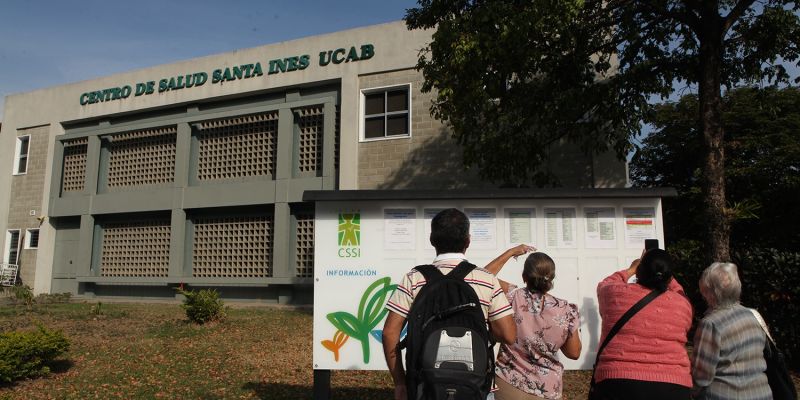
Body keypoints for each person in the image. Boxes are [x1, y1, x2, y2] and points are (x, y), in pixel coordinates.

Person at [382, 208, 517, 400]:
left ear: (432, 240)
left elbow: (389, 333)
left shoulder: (414, 278)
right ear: (468, 241)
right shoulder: (486, 280)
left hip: (424, 386)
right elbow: (509, 335)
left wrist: (400, 382)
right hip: (477, 386)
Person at [592, 249, 693, 400]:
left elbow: (605, 284)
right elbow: (679, 291)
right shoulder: (683, 304)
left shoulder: (614, 293)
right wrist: (665, 272)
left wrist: (631, 269)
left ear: (639, 272)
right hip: (673, 386)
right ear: (669, 276)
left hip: (617, 382)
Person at [485, 245, 582, 400]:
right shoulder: (566, 310)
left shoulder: (512, 297)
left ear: (524, 276)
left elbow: (483, 276)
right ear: (551, 279)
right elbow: (574, 353)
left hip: (508, 382)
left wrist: (510, 252)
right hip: (547, 389)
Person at [692, 262, 771, 400]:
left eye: (703, 291)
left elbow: (702, 376)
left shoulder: (711, 324)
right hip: (761, 393)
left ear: (711, 293)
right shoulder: (753, 315)